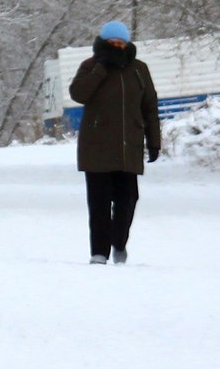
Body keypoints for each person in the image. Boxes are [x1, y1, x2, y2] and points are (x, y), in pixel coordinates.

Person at [68, 20, 160, 263]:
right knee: (98, 204)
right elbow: (78, 94)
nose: (117, 47)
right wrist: (101, 69)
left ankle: (119, 243)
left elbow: (150, 107)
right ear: (103, 43)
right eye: (112, 43)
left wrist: (154, 141)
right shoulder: (90, 66)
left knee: (128, 200)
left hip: (128, 147)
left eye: (121, 43)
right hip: (96, 148)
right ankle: (99, 253)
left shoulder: (139, 70)